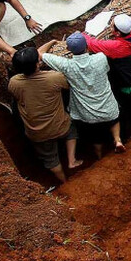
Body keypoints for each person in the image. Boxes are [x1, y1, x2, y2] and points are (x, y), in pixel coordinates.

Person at [39, 33, 124, 155]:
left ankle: (100, 157)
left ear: (68, 49)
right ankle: (117, 140)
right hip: (108, 107)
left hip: (87, 114)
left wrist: (52, 41)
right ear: (86, 47)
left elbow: (39, 53)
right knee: (114, 119)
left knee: (95, 137)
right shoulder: (100, 58)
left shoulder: (66, 65)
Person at [8, 47, 78, 182]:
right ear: (37, 64)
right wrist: (52, 43)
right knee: (72, 130)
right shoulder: (54, 77)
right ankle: (72, 160)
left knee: (50, 159)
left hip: (37, 133)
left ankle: (64, 181)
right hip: (61, 127)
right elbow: (68, 86)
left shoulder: (14, 82)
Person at [84, 12, 131, 135]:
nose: (110, 27)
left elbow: (91, 44)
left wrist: (83, 34)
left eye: (112, 26)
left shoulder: (116, 47)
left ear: (117, 33)